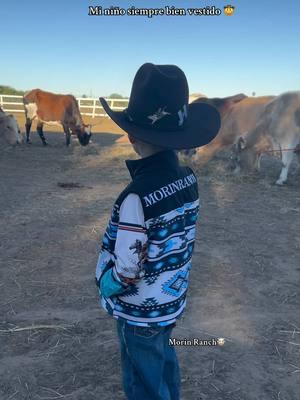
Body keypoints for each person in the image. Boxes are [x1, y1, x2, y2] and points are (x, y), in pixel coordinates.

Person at [95, 63, 220, 400]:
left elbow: (128, 268)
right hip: (170, 301)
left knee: (141, 380)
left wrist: (105, 286)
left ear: (132, 136)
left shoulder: (136, 197)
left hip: (139, 310)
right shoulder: (189, 179)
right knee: (163, 359)